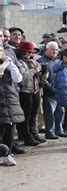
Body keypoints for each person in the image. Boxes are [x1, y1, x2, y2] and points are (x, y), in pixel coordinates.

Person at [16, 41, 46, 146]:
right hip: (25, 91)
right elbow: (22, 78)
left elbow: (39, 77)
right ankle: (27, 137)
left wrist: (43, 72)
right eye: (28, 52)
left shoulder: (33, 61)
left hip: (36, 90)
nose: (30, 54)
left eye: (32, 52)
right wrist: (34, 70)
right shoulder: (19, 62)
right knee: (27, 116)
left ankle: (34, 134)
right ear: (22, 52)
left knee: (34, 115)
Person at [0, 31, 23, 166]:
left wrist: (11, 65)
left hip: (9, 95)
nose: (1, 38)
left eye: (1, 36)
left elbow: (18, 78)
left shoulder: (9, 52)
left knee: (10, 125)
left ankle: (7, 155)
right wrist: (3, 66)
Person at [37, 41, 64, 140]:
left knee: (60, 112)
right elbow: (42, 79)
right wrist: (51, 89)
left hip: (59, 92)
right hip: (48, 93)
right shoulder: (41, 61)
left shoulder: (58, 61)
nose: (55, 51)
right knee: (49, 114)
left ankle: (59, 130)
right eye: (52, 49)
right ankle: (50, 132)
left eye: (56, 49)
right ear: (46, 49)